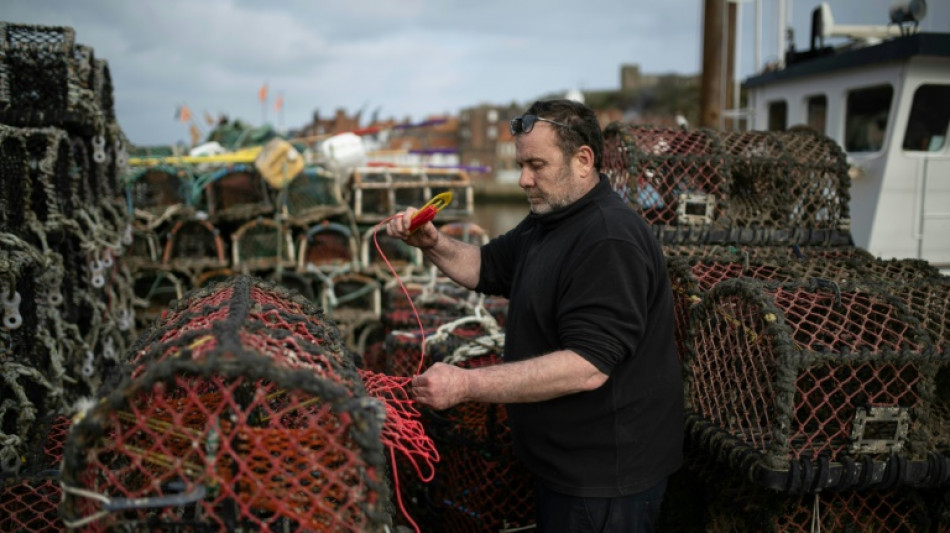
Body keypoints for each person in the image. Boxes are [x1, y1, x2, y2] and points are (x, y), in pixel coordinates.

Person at [386, 99, 684, 532]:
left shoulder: (608, 239)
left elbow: (587, 367)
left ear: (583, 160)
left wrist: (466, 384)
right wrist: (432, 242)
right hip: (562, 467)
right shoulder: (548, 220)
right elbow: (484, 267)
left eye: (536, 165)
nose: (524, 179)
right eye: (521, 164)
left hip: (606, 482)